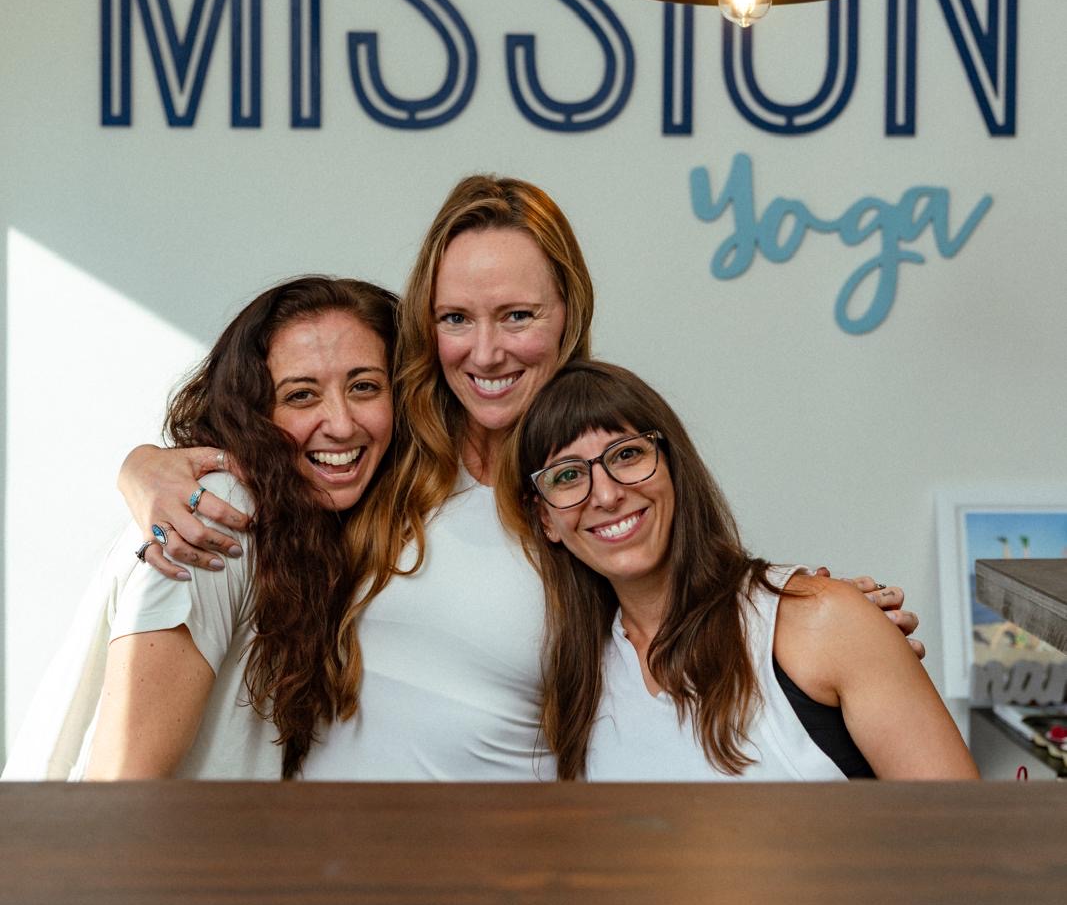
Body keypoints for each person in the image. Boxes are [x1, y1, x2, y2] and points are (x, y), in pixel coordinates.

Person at [111, 176, 924, 780]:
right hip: (318, 876)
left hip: (492, 883)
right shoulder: (389, 454)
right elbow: (273, 449)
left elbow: (696, 593)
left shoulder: (585, 486)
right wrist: (140, 472)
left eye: (518, 316)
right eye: (456, 318)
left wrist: (823, 620)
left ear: (568, 310)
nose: (486, 352)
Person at [502, 360, 978, 781]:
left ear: (673, 464)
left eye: (627, 454)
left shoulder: (820, 621)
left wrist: (856, 622)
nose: (605, 495)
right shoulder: (581, 680)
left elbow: (966, 841)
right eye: (567, 475)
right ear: (546, 519)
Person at [3, 276, 397, 781]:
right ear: (252, 412)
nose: (341, 424)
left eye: (364, 386)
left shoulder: (323, 528)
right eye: (301, 395)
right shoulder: (217, 514)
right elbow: (123, 787)